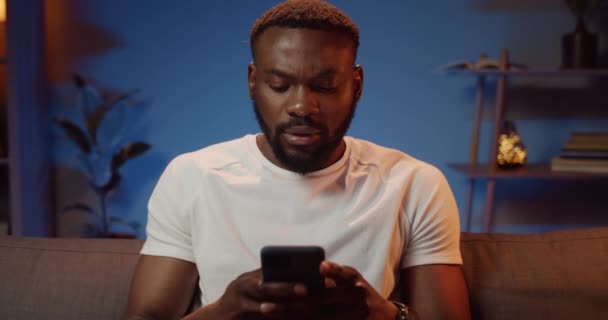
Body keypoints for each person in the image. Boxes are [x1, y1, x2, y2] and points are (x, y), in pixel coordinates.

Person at [123, 0, 471, 319]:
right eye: (279, 85)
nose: (302, 106)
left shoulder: (415, 183)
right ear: (253, 82)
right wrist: (224, 312)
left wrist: (383, 312)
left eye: (325, 86)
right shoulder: (192, 177)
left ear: (357, 84)